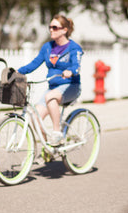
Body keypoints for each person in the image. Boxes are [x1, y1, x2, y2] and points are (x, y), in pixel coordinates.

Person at [17, 14, 83, 146]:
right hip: (53, 88)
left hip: (70, 86)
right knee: (35, 118)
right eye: (50, 27)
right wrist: (18, 72)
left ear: (64, 30)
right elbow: (34, 64)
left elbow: (77, 65)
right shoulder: (47, 47)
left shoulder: (74, 48)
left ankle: (57, 133)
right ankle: (49, 148)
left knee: (50, 97)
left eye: (55, 27)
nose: (51, 30)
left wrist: (71, 71)